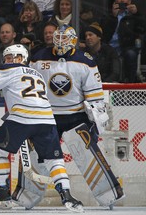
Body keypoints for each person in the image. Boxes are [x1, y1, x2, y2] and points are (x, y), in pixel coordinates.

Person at [0, 44, 83, 212]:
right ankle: (66, 194)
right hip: (46, 119)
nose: (9, 60)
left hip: (22, 118)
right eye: (8, 57)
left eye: (13, 57)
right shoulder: (36, 74)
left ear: (22, 58)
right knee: (53, 159)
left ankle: (3, 192)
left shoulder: (7, 70)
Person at [29, 24, 124, 207]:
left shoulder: (86, 61)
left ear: (73, 40)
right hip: (48, 116)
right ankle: (27, 194)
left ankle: (108, 194)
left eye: (65, 38)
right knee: (39, 154)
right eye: (58, 37)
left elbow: (95, 94)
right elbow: (32, 88)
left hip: (76, 116)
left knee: (87, 155)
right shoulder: (39, 57)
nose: (60, 41)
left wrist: (96, 115)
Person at [100, 0, 146, 83]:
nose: (121, 0)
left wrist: (137, 14)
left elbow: (142, 30)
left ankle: (131, 83)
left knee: (131, 54)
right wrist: (113, 17)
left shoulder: (133, 15)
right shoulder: (108, 14)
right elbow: (103, 34)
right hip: (110, 46)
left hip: (127, 46)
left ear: (129, 1)